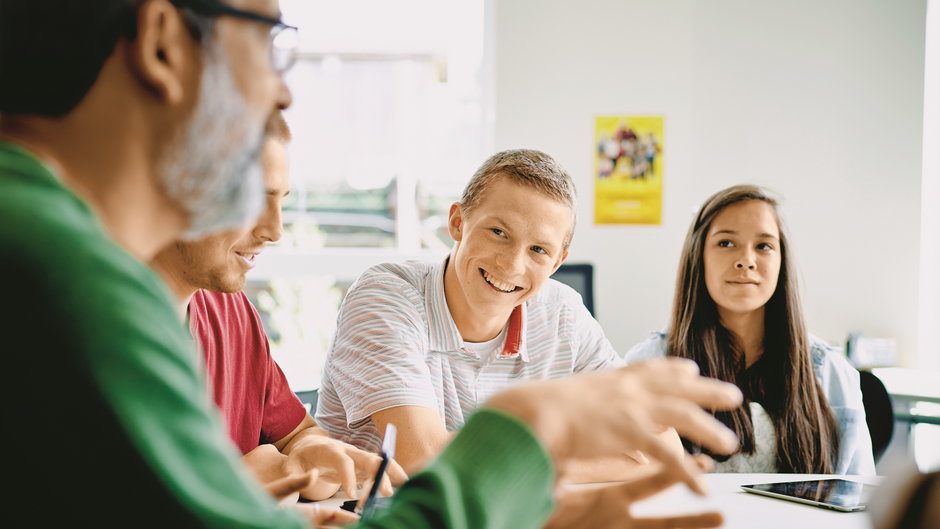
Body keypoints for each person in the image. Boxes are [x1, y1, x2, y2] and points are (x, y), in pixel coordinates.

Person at [0, 1, 744, 527]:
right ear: (163, 42)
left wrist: (545, 508)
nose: (283, 89)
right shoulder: (68, 277)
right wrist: (527, 431)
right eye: (271, 41)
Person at [317, 149, 680, 477]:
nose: (510, 264)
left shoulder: (563, 313)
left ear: (557, 262)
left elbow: (663, 448)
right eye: (498, 232)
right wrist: (582, 457)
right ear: (458, 222)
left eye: (538, 249)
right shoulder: (386, 296)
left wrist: (517, 465)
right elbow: (423, 459)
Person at [151, 113, 406, 501]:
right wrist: (234, 486)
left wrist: (306, 455)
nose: (274, 230)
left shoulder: (231, 311)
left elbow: (296, 433)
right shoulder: (90, 327)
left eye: (281, 201)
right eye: (254, 201)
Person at [625, 184, 876, 475]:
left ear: (782, 261)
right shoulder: (649, 365)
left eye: (764, 246)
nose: (746, 260)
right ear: (698, 256)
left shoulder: (831, 371)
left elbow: (858, 498)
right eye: (726, 243)